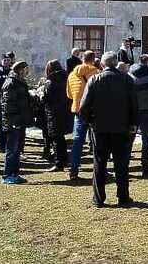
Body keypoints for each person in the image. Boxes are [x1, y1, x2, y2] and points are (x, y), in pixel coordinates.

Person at [78, 52, 139, 207]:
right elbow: (134, 105)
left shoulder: (94, 80)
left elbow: (83, 108)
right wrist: (133, 123)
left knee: (99, 163)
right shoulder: (126, 80)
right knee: (121, 164)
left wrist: (92, 121)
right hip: (121, 128)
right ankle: (123, 197)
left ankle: (99, 198)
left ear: (102, 65)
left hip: (100, 128)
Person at [66, 50, 100, 180]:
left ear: (82, 59)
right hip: (93, 110)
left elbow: (69, 94)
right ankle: (99, 168)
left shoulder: (72, 75)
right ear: (93, 59)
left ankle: (73, 170)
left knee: (77, 141)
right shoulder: (96, 73)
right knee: (97, 141)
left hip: (78, 109)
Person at [0, 61, 34, 184]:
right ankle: (7, 175)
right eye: (26, 69)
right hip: (13, 121)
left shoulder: (19, 82)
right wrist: (14, 119)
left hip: (19, 120)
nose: (28, 71)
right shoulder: (11, 83)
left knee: (17, 150)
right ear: (21, 70)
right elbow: (7, 104)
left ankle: (15, 173)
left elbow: (22, 99)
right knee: (12, 149)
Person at [42, 60, 72, 172]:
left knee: (56, 138)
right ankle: (64, 159)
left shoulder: (50, 80)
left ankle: (59, 163)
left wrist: (40, 94)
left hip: (54, 111)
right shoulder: (66, 77)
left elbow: (46, 97)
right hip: (65, 110)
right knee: (61, 138)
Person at [0, 55, 11, 153]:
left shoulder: (12, 72)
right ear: (1, 61)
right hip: (0, 101)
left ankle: (7, 143)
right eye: (5, 60)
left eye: (8, 60)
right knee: (0, 123)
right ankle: (0, 145)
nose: (7, 62)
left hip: (9, 101)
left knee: (8, 123)